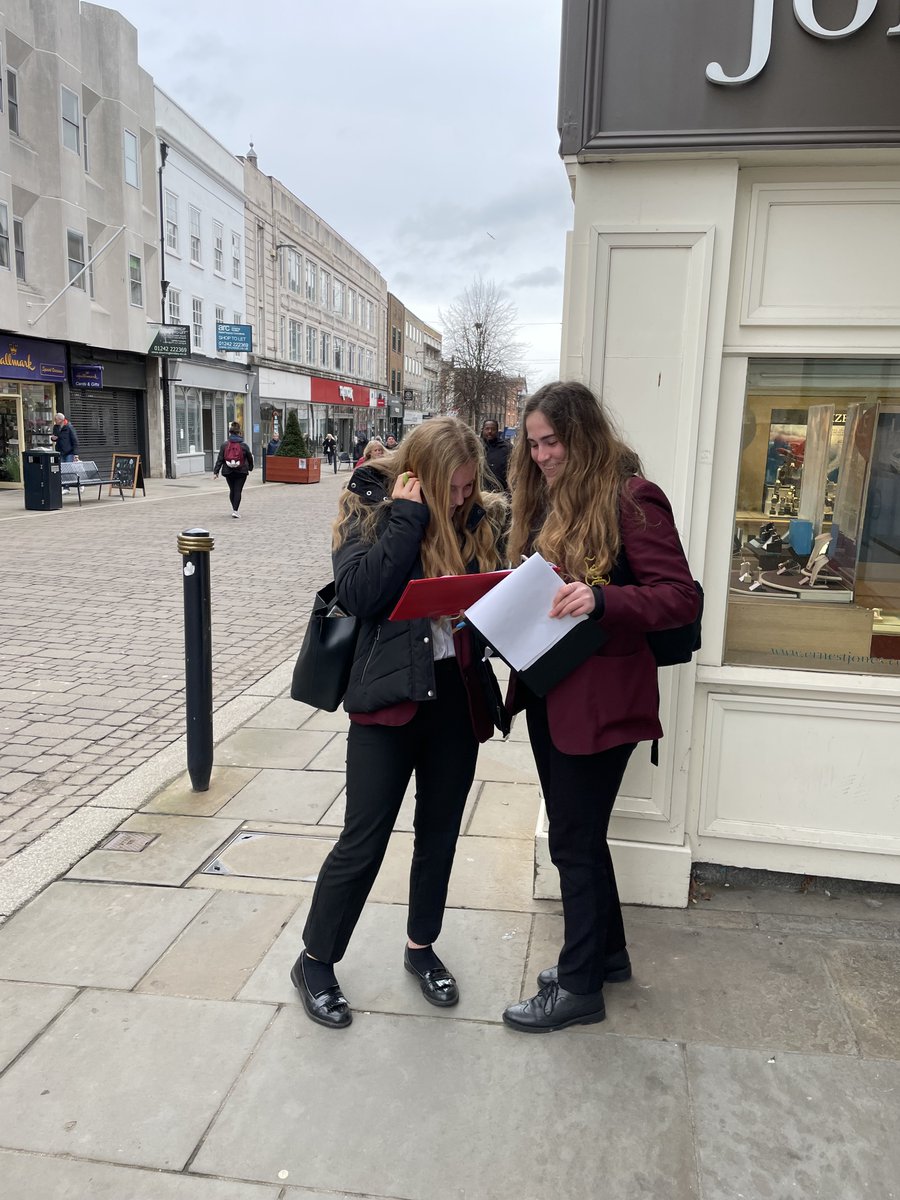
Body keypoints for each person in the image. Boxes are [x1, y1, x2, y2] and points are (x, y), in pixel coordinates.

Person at [290, 416, 508, 1028]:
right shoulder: (368, 495)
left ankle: (421, 947)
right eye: (455, 488)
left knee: (439, 833)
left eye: (470, 488)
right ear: (426, 474)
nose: (463, 498)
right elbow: (361, 594)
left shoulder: (477, 513)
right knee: (364, 839)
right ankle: (315, 959)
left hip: (453, 698)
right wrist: (408, 519)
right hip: (387, 700)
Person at [500, 381, 699, 1034]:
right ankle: (606, 956)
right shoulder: (554, 497)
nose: (541, 456)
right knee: (578, 837)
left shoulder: (632, 498)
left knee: (573, 842)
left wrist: (602, 599)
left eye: (550, 442)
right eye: (532, 445)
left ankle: (580, 986)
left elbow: (678, 597)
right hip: (548, 693)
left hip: (602, 703)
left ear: (581, 436)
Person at [213, 421, 254, 518]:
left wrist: (216, 471)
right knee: (238, 490)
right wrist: (250, 467)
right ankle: (235, 510)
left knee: (232, 490)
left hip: (228, 471)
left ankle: (234, 509)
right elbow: (249, 457)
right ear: (239, 433)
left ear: (230, 433)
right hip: (241, 471)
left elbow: (220, 458)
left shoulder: (225, 445)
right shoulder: (244, 445)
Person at [481, 419, 510, 493]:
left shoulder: (506, 448)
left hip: (500, 493)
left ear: (497, 431)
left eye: (493, 429)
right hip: (480, 493)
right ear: (483, 430)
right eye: (487, 429)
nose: (490, 431)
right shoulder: (476, 447)